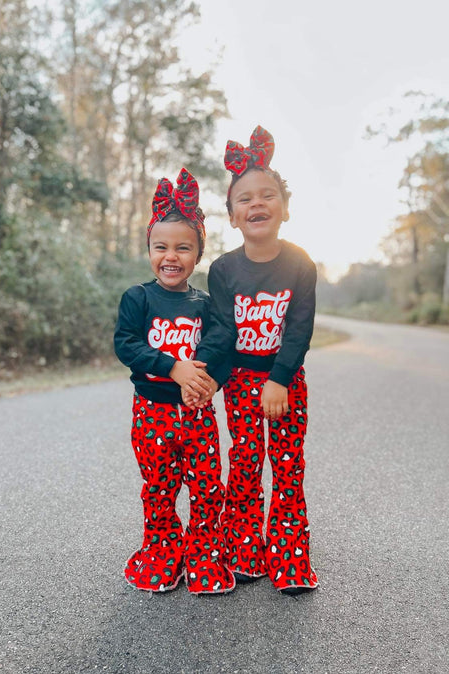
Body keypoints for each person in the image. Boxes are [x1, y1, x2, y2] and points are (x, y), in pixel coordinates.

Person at [189, 126, 319, 596]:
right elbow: (224, 332)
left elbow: (299, 330)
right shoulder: (223, 270)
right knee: (244, 465)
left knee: (286, 467)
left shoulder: (300, 264)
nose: (256, 203)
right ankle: (245, 547)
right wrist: (206, 377)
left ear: (284, 208)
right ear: (232, 216)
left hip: (285, 382)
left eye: (267, 195)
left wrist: (280, 379)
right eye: (244, 199)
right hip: (242, 382)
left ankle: (289, 556)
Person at [113, 167, 235, 595]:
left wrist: (211, 383)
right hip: (152, 413)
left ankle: (204, 556)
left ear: (198, 253)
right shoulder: (138, 298)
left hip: (198, 412)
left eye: (183, 247)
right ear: (149, 249)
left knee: (206, 488)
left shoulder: (205, 304)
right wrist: (173, 367)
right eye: (161, 246)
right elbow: (126, 344)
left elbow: (223, 347)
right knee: (160, 488)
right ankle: (162, 553)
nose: (171, 256)